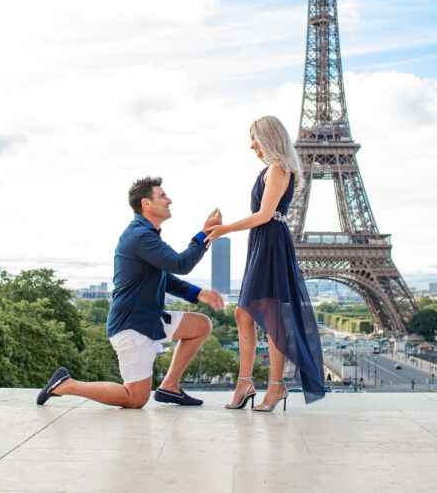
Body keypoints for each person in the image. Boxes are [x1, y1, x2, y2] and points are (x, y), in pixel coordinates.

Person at [37, 176, 224, 409]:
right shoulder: (139, 236)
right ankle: (66, 384)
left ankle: (169, 387)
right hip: (131, 326)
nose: (169, 200)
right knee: (135, 399)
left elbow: (163, 277)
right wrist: (205, 232)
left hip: (151, 320)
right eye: (163, 196)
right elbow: (180, 264)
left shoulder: (146, 235)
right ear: (146, 203)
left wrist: (198, 294)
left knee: (201, 325)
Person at [205, 116, 325, 411]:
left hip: (270, 241)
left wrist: (224, 230)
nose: (251, 146)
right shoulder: (271, 169)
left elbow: (264, 214)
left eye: (254, 139)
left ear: (268, 138)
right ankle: (247, 382)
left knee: (268, 317)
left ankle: (274, 386)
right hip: (263, 241)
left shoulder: (279, 168)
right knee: (244, 316)